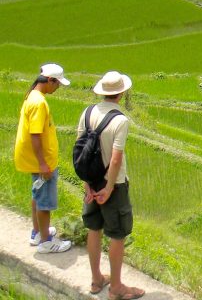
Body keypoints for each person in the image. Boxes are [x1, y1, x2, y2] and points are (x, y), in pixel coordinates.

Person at [78, 70, 144, 300]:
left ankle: (97, 280)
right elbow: (116, 158)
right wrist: (108, 188)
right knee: (117, 234)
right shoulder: (120, 120)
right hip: (113, 186)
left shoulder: (86, 113)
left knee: (94, 228)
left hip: (92, 182)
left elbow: (81, 152)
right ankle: (115, 287)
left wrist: (88, 185)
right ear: (121, 92)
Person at [14, 62, 73, 253]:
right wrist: (43, 164)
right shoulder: (39, 102)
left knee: (37, 195)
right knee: (44, 202)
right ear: (50, 80)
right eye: (57, 84)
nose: (57, 88)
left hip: (35, 159)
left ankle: (38, 232)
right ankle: (46, 242)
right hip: (42, 161)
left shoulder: (32, 96)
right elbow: (35, 135)